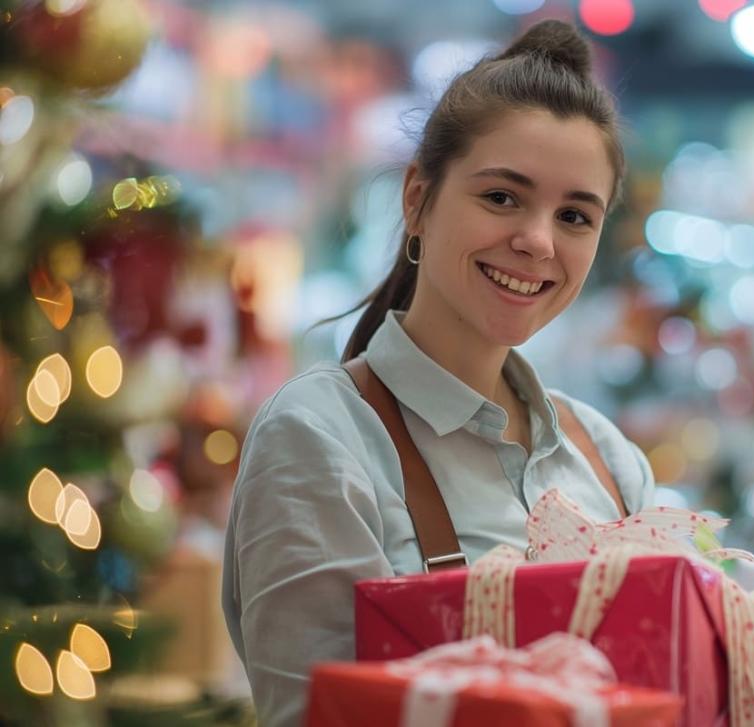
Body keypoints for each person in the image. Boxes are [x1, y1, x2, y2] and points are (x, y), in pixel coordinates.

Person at [221, 19, 656, 726]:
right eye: (503, 197)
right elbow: (316, 715)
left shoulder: (609, 457)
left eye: (575, 214)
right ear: (417, 200)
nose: (538, 240)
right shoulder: (321, 437)